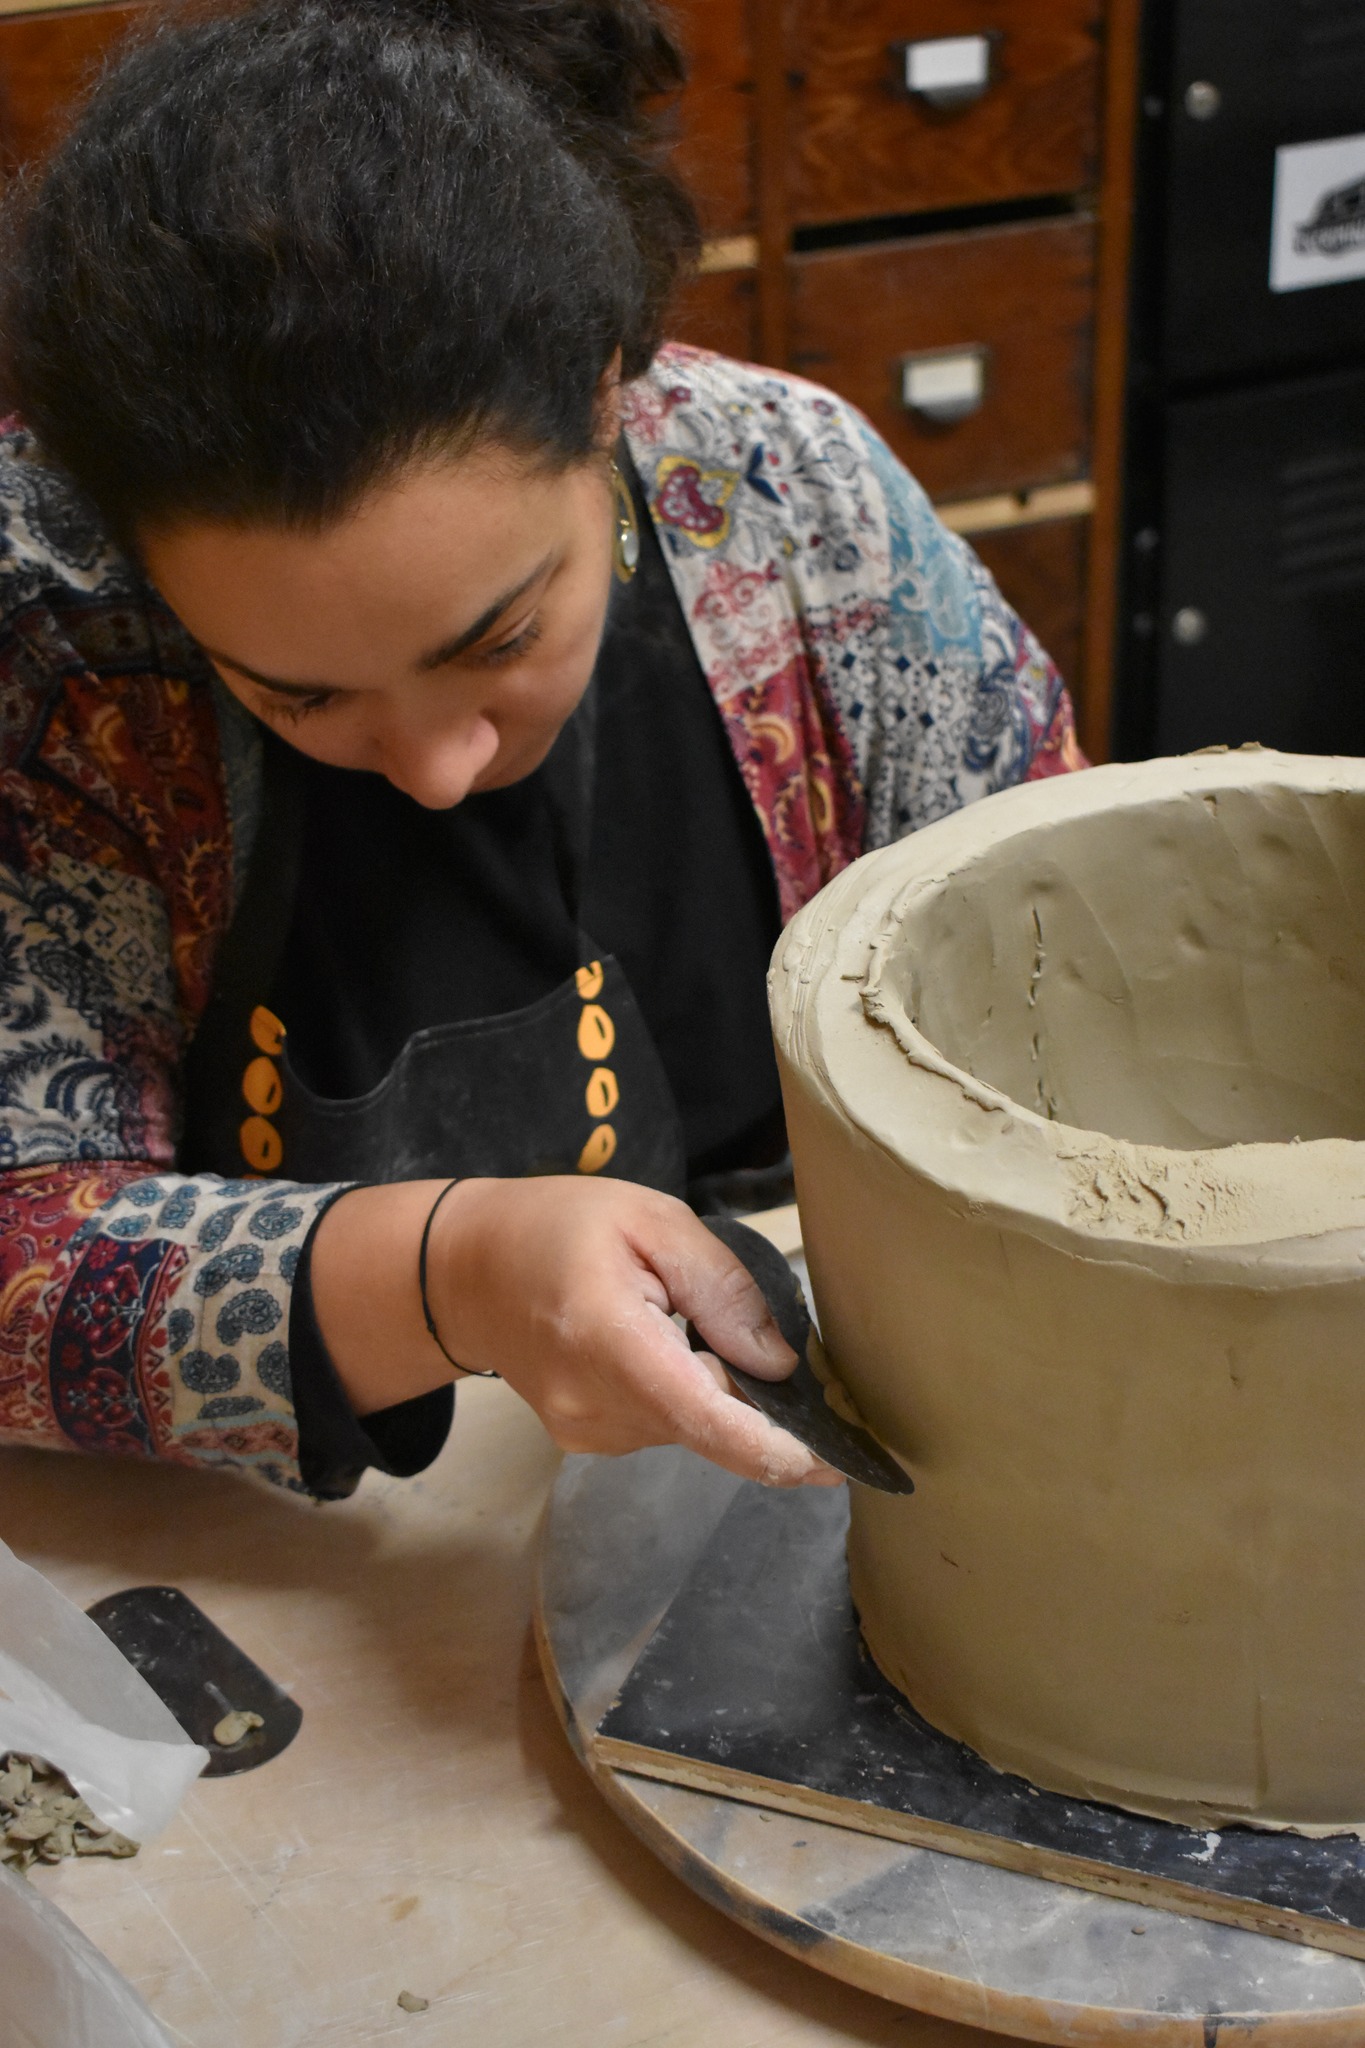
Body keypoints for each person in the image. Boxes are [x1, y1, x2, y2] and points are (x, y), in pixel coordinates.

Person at [0, 0, 1083, 1503]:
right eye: (301, 696)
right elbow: (14, 1245)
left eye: (497, 640)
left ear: (601, 390)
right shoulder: (51, 644)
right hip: (295, 1559)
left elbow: (1058, 972)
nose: (437, 767)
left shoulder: (800, 506)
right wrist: (447, 1279)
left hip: (812, 1445)